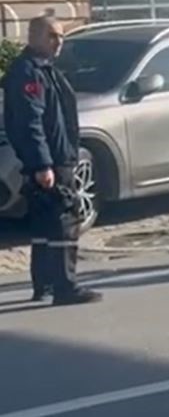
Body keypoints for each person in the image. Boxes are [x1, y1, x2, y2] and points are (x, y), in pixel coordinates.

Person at [2, 16, 101, 305]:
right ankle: (64, 287)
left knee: (45, 225)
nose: (58, 42)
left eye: (60, 36)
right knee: (62, 224)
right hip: (52, 162)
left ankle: (45, 284)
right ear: (33, 37)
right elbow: (30, 122)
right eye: (51, 36)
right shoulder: (29, 73)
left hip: (57, 158)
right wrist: (42, 164)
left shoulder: (45, 70)